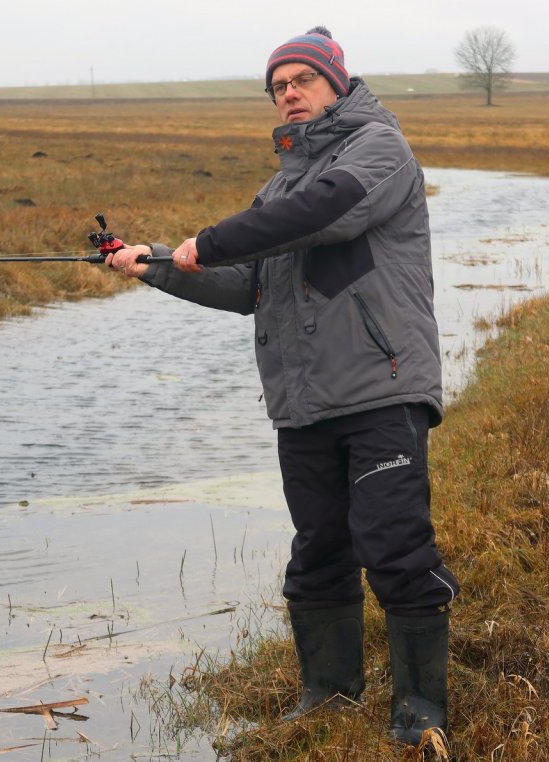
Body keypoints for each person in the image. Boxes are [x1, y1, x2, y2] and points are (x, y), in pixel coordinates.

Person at [106, 26, 460, 746]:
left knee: (393, 546)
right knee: (320, 550)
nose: (289, 94)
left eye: (302, 80)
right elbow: (248, 286)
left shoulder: (378, 151)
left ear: (337, 82)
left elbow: (323, 213)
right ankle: (328, 694)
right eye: (278, 86)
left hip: (381, 390)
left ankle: (419, 708)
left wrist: (209, 238)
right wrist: (157, 264)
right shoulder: (281, 184)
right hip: (303, 403)